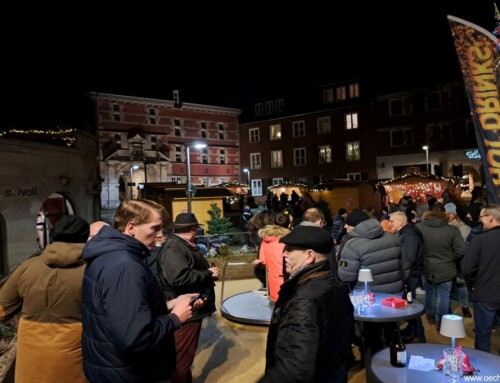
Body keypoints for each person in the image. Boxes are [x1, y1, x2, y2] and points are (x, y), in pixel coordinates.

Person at [81, 200, 196, 382]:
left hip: (111, 368)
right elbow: (135, 339)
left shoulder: (109, 255)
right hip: (127, 373)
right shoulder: (125, 266)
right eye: (155, 228)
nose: (160, 235)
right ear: (131, 227)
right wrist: (174, 319)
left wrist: (166, 306)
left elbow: (118, 315)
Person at [0, 215, 90, 382]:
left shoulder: (28, 266)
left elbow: (2, 308)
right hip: (75, 351)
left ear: (53, 236)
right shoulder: (93, 268)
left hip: (31, 353)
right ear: (86, 238)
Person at [259, 225, 354, 383]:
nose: (284, 254)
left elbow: (294, 367)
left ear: (310, 256)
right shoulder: (334, 284)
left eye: (290, 249)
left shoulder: (303, 298)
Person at [157, 213, 220, 383]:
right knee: (181, 359)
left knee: (181, 356)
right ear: (192, 229)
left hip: (190, 305)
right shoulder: (174, 248)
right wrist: (207, 273)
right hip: (186, 309)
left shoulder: (180, 245)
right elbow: (179, 278)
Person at [416, 206, 467, 331]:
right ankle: (441, 321)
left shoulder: (419, 228)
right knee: (444, 296)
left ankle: (430, 315)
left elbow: (415, 247)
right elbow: (462, 250)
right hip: (447, 268)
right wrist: (449, 257)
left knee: (429, 292)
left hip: (426, 266)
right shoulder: (452, 230)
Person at [461, 204, 500, 353]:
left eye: (482, 217)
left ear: (490, 218)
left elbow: (467, 268)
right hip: (486, 294)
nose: (480, 220)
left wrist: (474, 283)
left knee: (483, 336)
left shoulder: (480, 240)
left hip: (485, 295)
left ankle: (484, 372)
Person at [389, 211, 426, 343]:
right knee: (407, 303)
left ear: (401, 222)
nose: (390, 223)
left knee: (410, 304)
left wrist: (402, 273)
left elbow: (409, 258)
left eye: (392, 221)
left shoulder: (408, 235)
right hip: (409, 273)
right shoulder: (405, 233)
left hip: (410, 274)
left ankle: (418, 335)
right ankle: (412, 330)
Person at [254, 213, 291, 301]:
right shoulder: (290, 240)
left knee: (276, 304)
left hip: (273, 278)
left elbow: (263, 260)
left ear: (274, 224)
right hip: (288, 277)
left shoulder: (266, 239)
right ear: (289, 225)